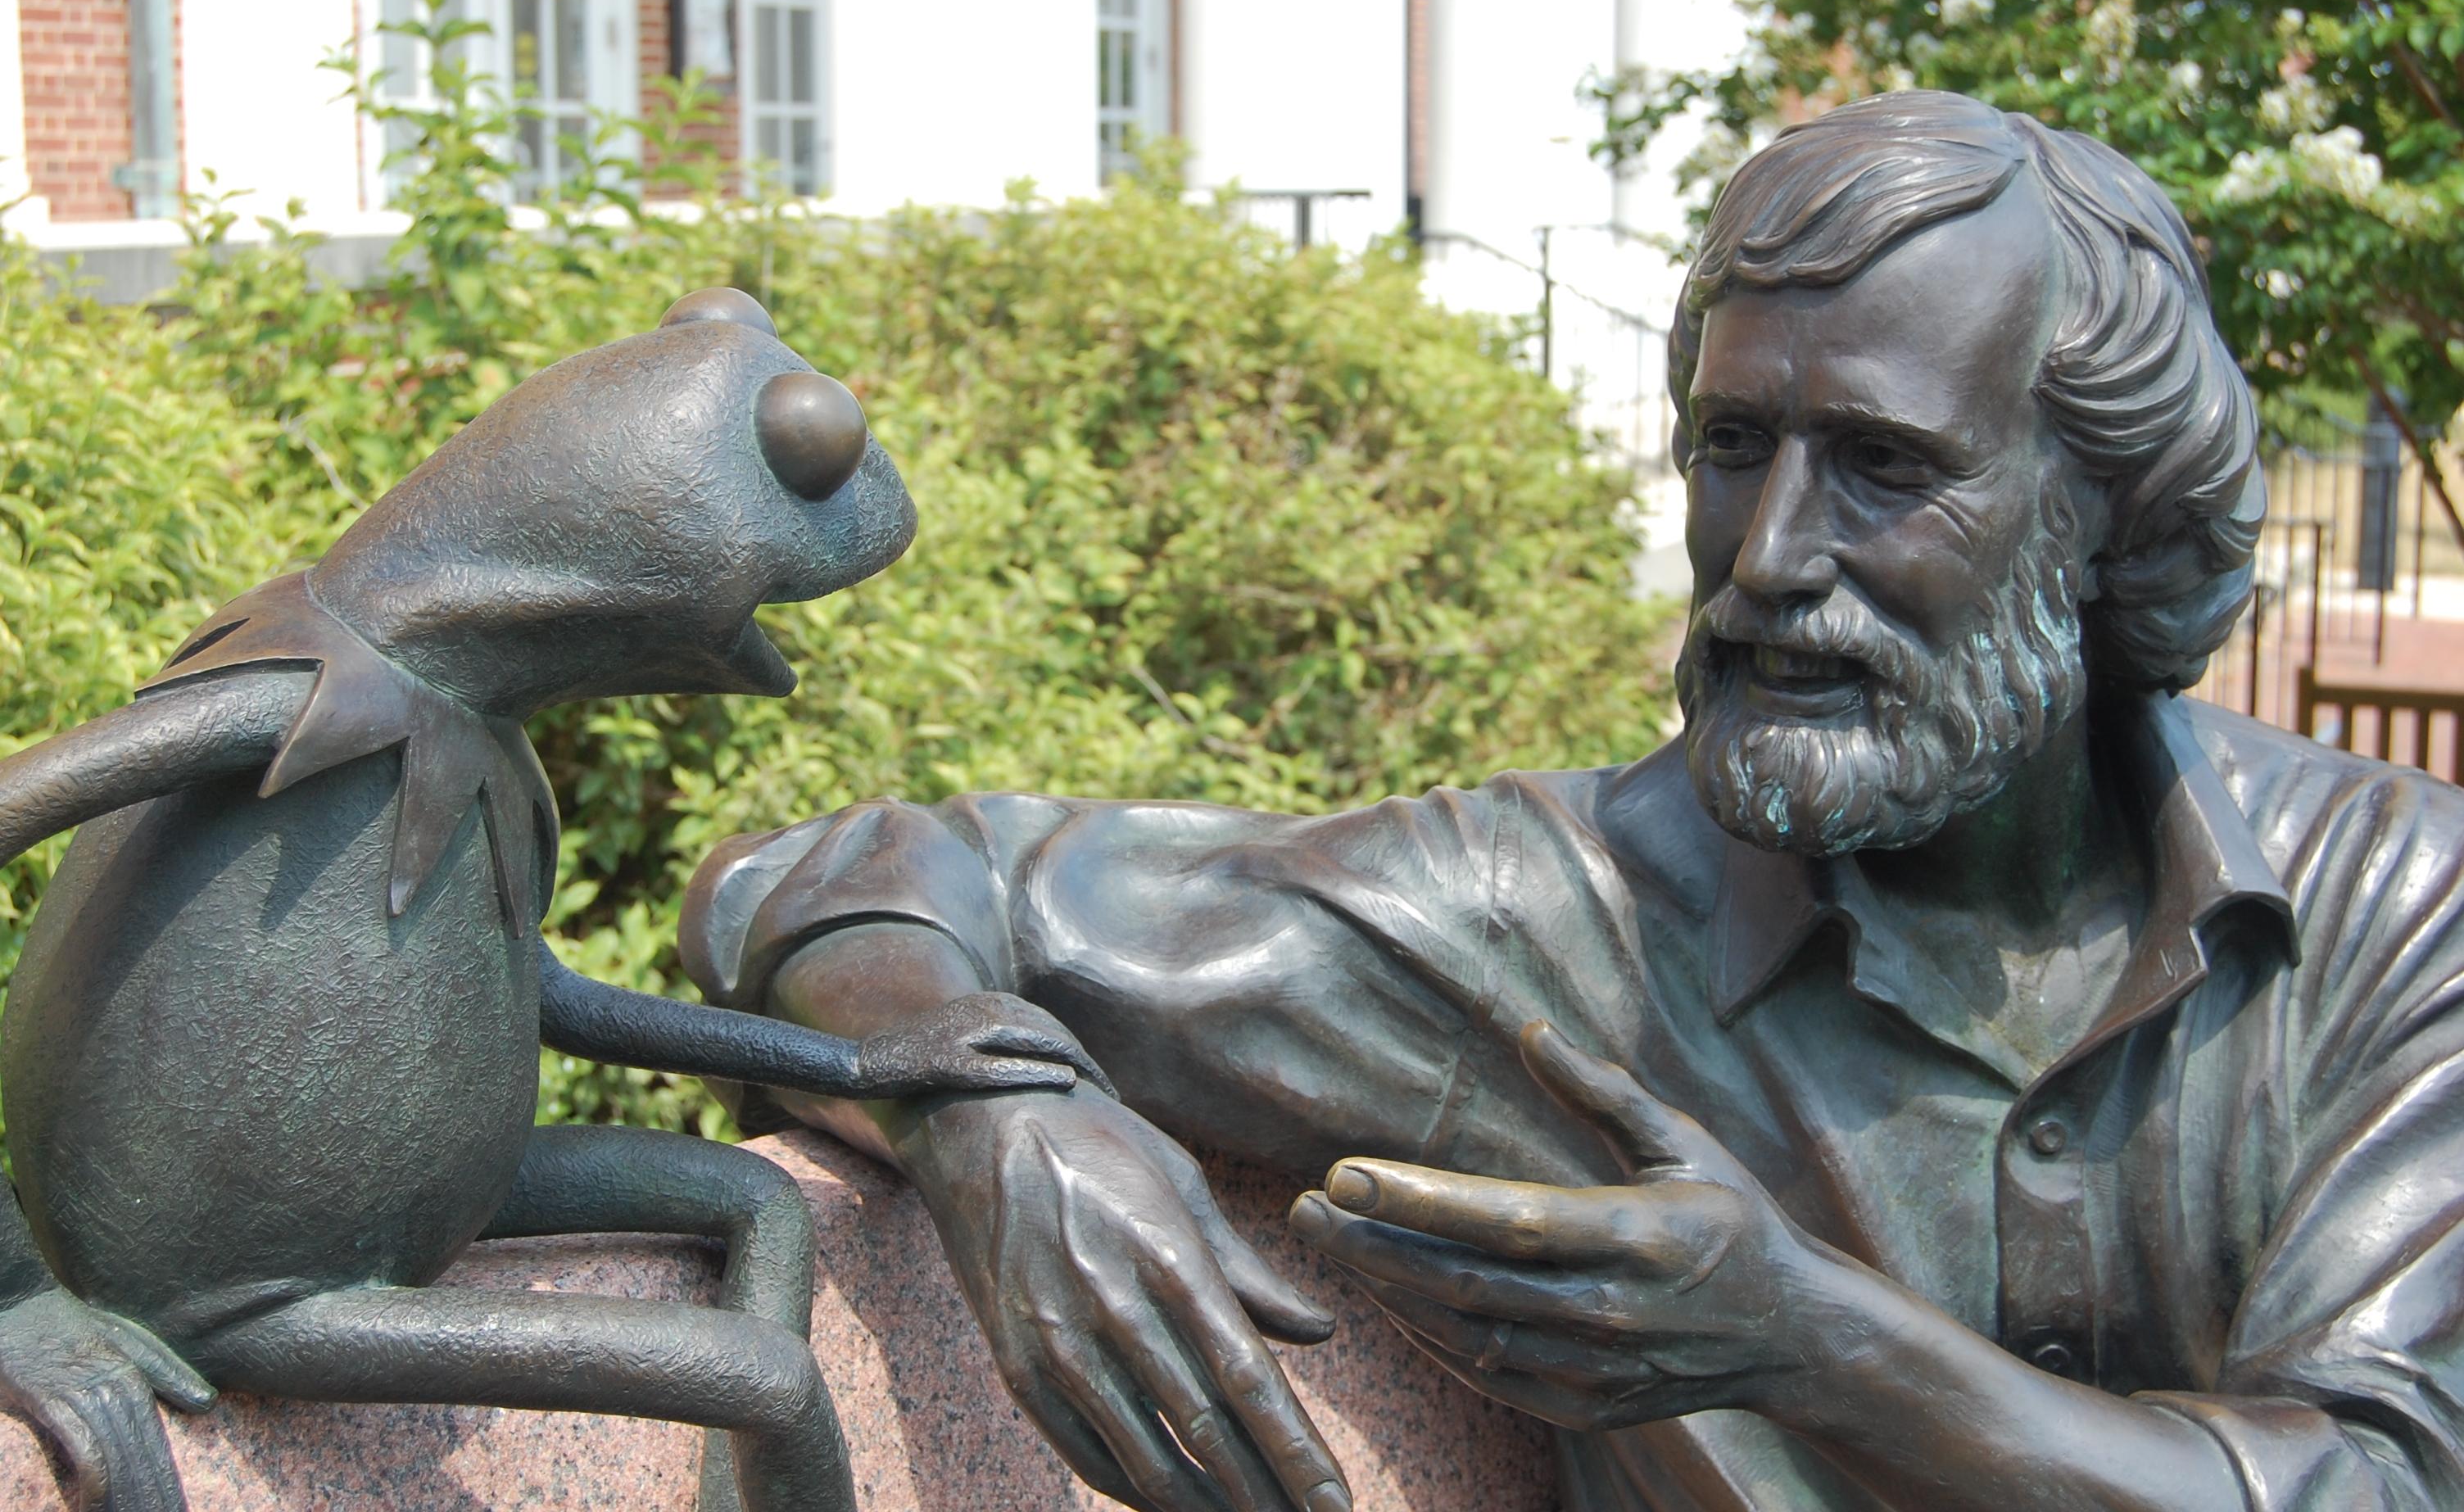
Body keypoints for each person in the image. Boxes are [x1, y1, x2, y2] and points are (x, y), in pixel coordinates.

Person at [682, 92, 2464, 1512]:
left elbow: (2380, 1478)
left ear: (2104, 516)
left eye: (1883, 467)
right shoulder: (1553, 911)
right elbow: (817, 886)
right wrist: (996, 1119)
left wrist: (1805, 1346)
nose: (1768, 559)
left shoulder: (2394, 909)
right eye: (1731, 445)